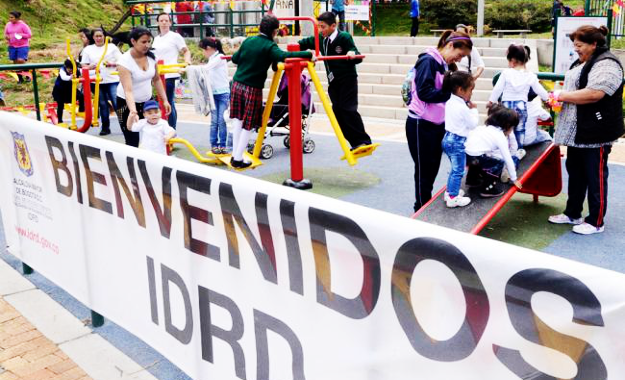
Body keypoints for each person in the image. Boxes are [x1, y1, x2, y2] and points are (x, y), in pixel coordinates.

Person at [548, 25, 623, 235]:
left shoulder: (607, 63)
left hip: (596, 132)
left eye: (579, 45)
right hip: (579, 131)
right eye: (574, 45)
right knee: (576, 173)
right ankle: (573, 213)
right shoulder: (584, 61)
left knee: (595, 176)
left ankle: (596, 221)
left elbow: (595, 93)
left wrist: (561, 95)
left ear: (594, 44)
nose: (576, 49)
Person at [229, 14, 313, 169]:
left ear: (260, 27)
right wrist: (307, 54)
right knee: (249, 123)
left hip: (237, 84)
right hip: (252, 88)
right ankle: (239, 158)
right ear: (275, 31)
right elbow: (285, 56)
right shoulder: (269, 46)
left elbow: (234, 59)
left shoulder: (249, 40)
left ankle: (235, 155)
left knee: (238, 121)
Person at [405, 30, 472, 212]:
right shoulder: (428, 61)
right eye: (459, 55)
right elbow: (424, 92)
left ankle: (430, 200)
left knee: (433, 166)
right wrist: (451, 96)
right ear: (450, 45)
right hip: (421, 125)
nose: (458, 60)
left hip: (435, 124)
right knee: (425, 170)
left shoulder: (443, 64)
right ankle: (421, 207)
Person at [298, 12, 371, 150]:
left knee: (348, 109)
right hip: (333, 81)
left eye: (323, 27)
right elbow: (303, 43)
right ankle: (354, 142)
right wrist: (291, 51)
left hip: (347, 79)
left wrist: (352, 54)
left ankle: (363, 140)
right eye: (319, 27)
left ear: (333, 26)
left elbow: (356, 54)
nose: (321, 30)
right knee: (337, 111)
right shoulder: (321, 39)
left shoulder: (344, 37)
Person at [116, 27, 171, 147]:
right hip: (126, 103)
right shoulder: (124, 61)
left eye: (149, 41)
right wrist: (132, 111)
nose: (147, 45)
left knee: (154, 134)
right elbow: (128, 90)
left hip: (147, 101)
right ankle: (131, 164)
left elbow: (156, 79)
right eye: (143, 42)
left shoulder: (152, 57)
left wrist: (165, 100)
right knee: (132, 139)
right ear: (133, 41)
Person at [487, 44, 549, 149]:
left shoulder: (506, 73)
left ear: (513, 60)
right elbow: (540, 91)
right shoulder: (530, 76)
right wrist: (547, 99)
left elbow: (498, 89)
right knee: (520, 129)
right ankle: (519, 149)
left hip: (506, 107)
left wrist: (491, 101)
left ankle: (505, 148)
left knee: (504, 129)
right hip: (521, 106)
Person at [465, 105, 523, 198]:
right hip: (476, 157)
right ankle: (488, 189)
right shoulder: (499, 136)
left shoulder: (483, 128)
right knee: (498, 163)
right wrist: (514, 179)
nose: (512, 131)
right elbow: (507, 158)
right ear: (507, 125)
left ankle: (472, 180)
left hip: (465, 155)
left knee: (478, 159)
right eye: (512, 128)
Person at [441, 71, 478, 208]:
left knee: (454, 169)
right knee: (459, 170)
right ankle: (453, 197)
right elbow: (473, 124)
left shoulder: (450, 101)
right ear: (460, 90)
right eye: (470, 90)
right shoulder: (462, 107)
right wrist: (474, 110)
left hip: (447, 139)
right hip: (457, 142)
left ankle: (450, 192)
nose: (471, 94)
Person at [153, 13, 192, 129]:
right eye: (161, 20)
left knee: (168, 103)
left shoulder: (175, 36)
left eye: (166, 20)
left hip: (170, 74)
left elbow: (186, 51)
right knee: (160, 103)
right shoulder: (155, 39)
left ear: (170, 22)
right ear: (158, 23)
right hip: (158, 75)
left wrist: (187, 63)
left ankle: (171, 131)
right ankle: (163, 129)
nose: (164, 22)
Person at [80, 28, 122, 136]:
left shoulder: (111, 47)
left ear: (104, 36)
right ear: (93, 37)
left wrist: (112, 64)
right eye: (96, 36)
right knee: (102, 104)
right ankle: (105, 127)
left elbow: (121, 60)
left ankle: (125, 125)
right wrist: (90, 67)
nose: (98, 38)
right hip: (96, 80)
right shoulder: (88, 49)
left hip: (112, 79)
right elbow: (83, 65)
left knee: (116, 102)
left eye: (100, 36)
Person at [199, 37, 230, 154]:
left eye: (203, 50)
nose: (203, 52)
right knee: (214, 121)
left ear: (209, 48)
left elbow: (205, 69)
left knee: (221, 121)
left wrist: (191, 69)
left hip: (223, 94)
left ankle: (222, 144)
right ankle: (214, 144)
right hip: (213, 94)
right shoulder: (213, 58)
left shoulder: (219, 58)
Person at [52, 59, 85, 125]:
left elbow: (84, 72)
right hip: (60, 89)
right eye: (69, 69)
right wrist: (70, 77)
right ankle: (60, 120)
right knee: (60, 104)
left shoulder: (77, 70)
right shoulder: (62, 70)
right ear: (66, 67)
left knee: (81, 96)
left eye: (72, 69)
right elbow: (64, 77)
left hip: (70, 88)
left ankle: (81, 110)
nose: (71, 71)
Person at [4, 11, 32, 83]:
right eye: (9, 17)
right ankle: (20, 79)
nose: (10, 19)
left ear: (17, 18)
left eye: (12, 17)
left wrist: (21, 35)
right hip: (12, 46)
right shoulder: (8, 24)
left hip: (23, 45)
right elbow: (6, 34)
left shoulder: (23, 25)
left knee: (21, 60)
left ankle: (28, 75)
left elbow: (29, 35)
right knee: (15, 63)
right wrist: (7, 37)